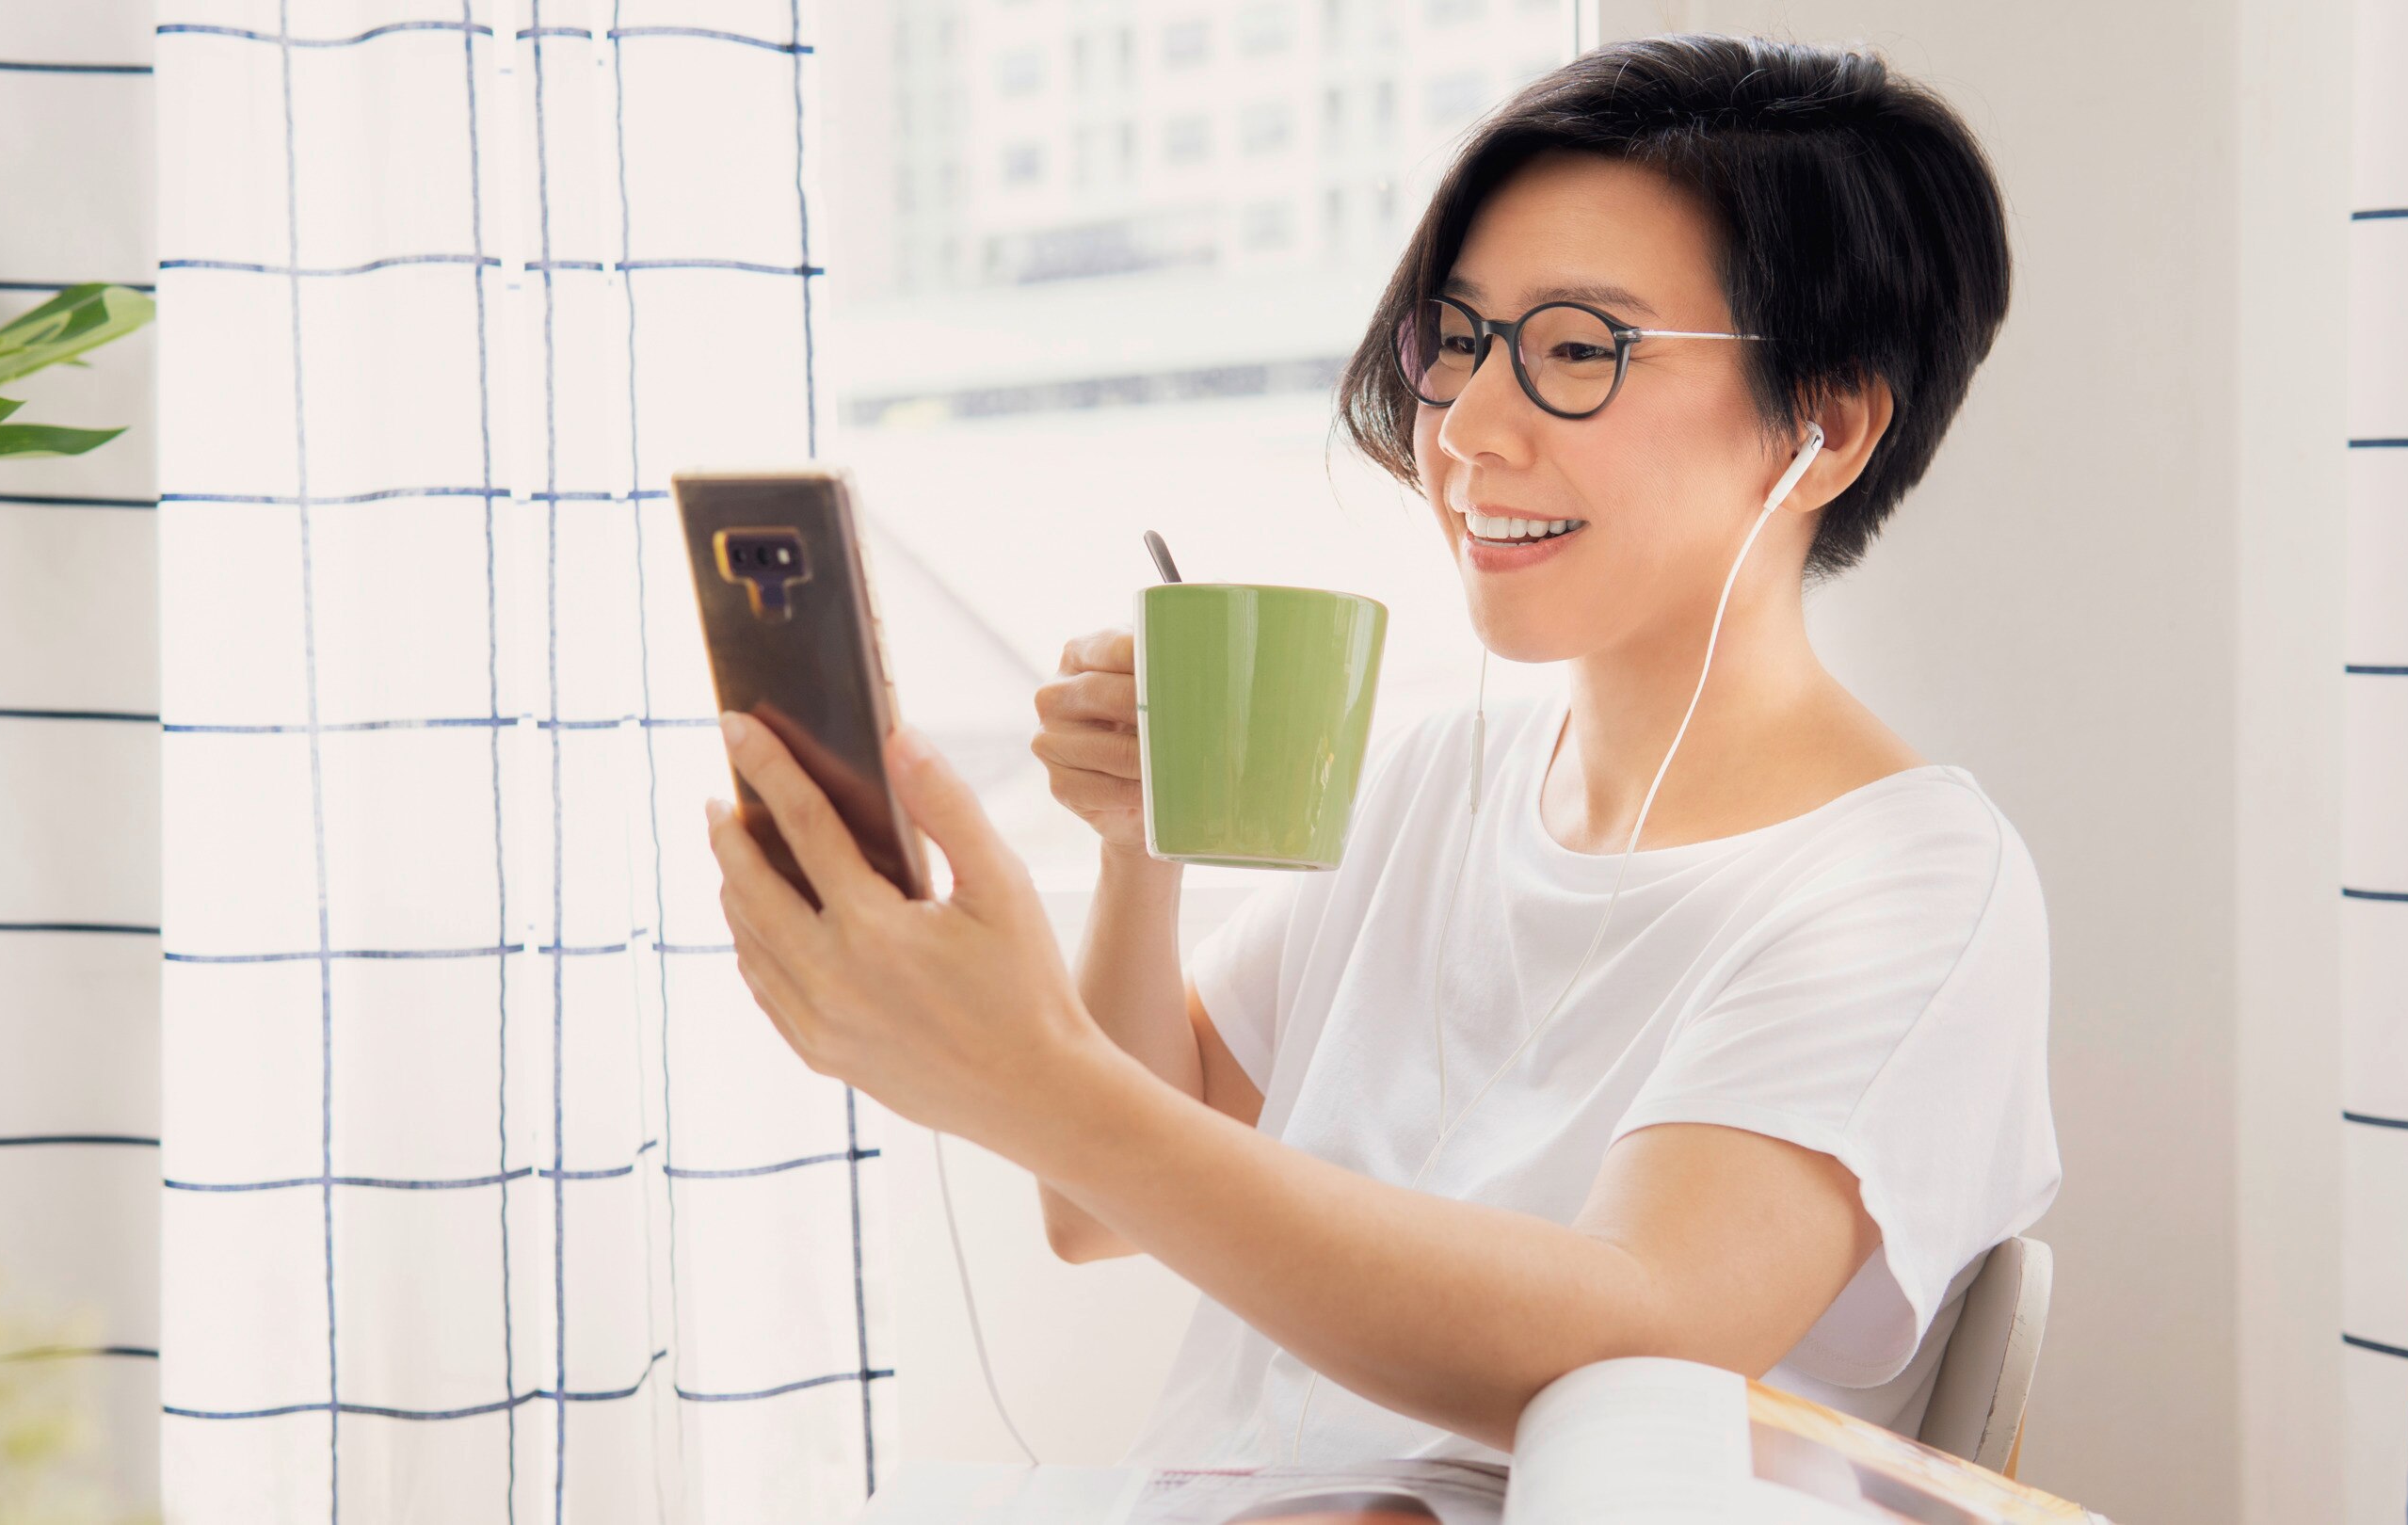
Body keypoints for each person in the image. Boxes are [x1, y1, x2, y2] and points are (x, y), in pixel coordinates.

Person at [703, 34, 2059, 1469]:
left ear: (1828, 424)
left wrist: (1037, 1078)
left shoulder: (1905, 884)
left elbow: (1636, 1339)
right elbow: (1096, 1202)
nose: (1465, 430)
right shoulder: (1436, 783)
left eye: (1578, 352)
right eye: (1458, 341)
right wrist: (1138, 856)